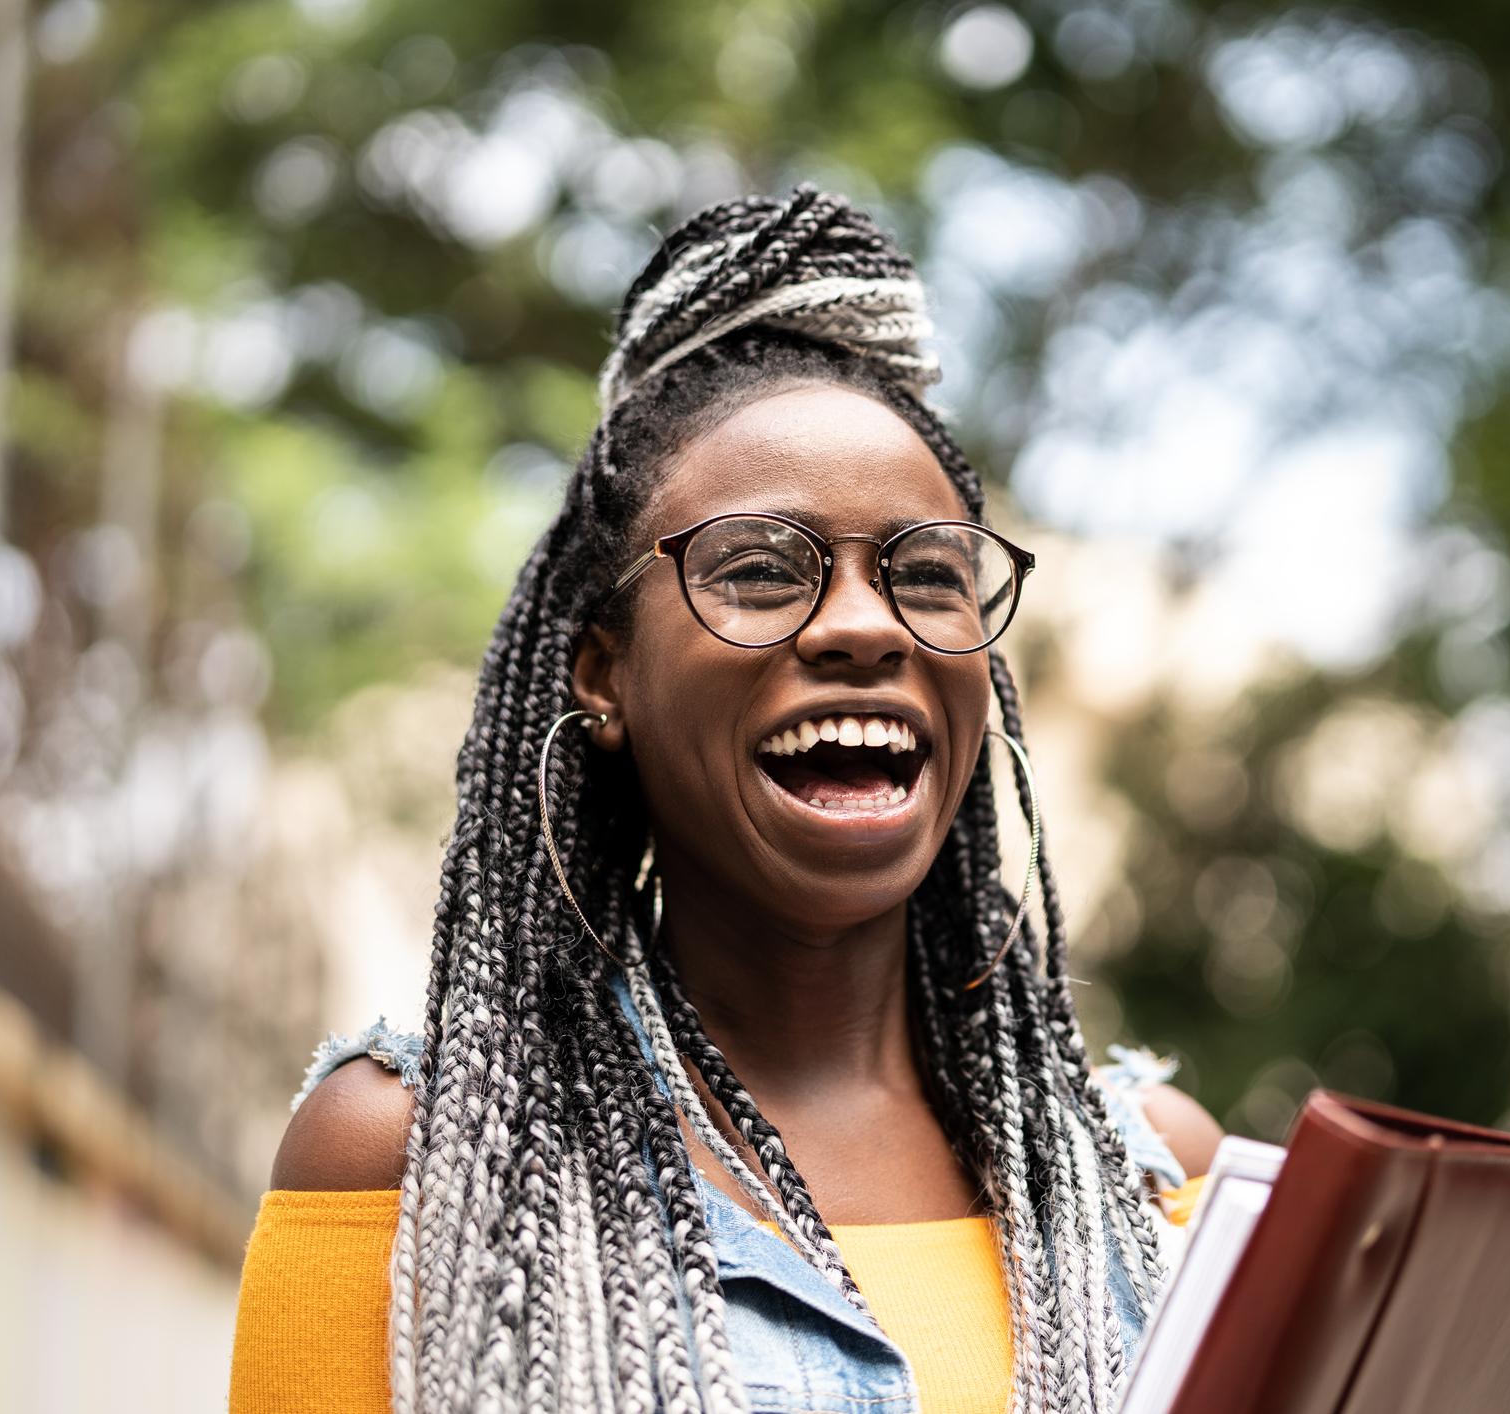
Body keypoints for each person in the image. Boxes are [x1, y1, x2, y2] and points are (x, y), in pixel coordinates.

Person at [229, 186, 1224, 1414]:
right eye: (758, 568)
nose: (866, 625)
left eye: (926, 573)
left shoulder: (1160, 1176)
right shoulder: (402, 1159)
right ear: (603, 673)